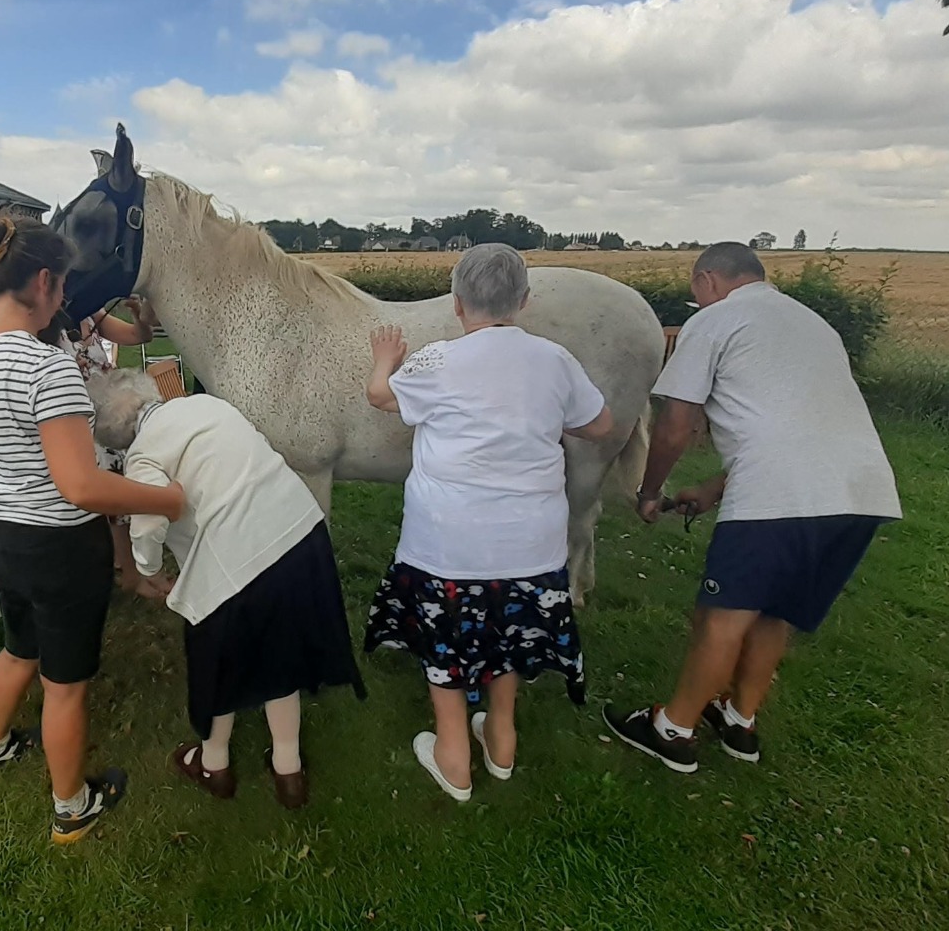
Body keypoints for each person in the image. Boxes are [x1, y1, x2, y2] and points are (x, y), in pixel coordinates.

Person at [603, 242, 901, 774]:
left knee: (720, 617)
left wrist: (650, 490)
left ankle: (672, 730)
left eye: (696, 290)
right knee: (773, 612)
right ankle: (739, 720)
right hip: (862, 492)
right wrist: (717, 488)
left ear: (709, 280)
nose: (696, 300)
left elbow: (675, 425)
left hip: (778, 497)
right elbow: (796, 423)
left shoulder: (715, 321)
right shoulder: (814, 324)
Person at [0, 215, 185, 844]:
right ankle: (72, 806)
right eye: (66, 284)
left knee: (18, 647)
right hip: (56, 546)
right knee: (65, 685)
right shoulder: (47, 368)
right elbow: (81, 486)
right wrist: (168, 499)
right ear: (48, 282)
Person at [363, 242, 615, 801]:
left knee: (445, 641)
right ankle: (501, 741)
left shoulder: (434, 360)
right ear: (524, 300)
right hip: (532, 545)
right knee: (510, 632)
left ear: (456, 304)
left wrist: (385, 358)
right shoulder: (556, 359)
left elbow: (381, 397)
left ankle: (453, 757)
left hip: (446, 545)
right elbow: (600, 426)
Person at [87, 367, 366, 809]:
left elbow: (148, 523)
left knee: (220, 667)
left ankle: (214, 763)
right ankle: (288, 770)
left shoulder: (141, 457)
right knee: (282, 654)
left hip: (235, 564)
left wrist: (148, 571)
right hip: (299, 534)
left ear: (111, 437)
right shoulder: (206, 405)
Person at [57, 300, 155, 593]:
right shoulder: (48, 327)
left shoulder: (90, 312)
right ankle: (127, 571)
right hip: (75, 419)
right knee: (110, 490)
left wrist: (140, 317)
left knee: (117, 487)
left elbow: (140, 337)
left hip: (108, 417)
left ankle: (124, 565)